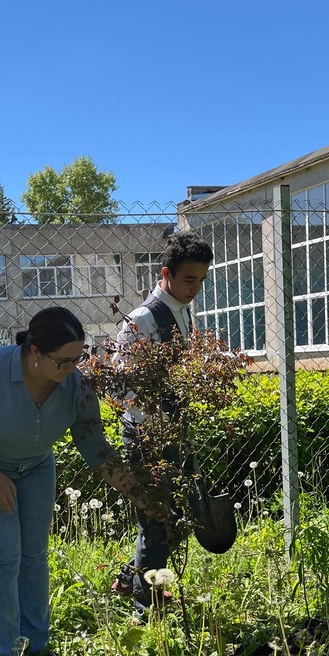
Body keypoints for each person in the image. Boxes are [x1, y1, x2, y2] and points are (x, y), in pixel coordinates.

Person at [0, 305, 142, 656]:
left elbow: (95, 447)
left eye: (78, 358)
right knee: (2, 559)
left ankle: (36, 649)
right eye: (63, 361)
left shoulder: (76, 384)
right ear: (34, 353)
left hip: (35, 468)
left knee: (33, 557)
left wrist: (140, 495)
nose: (72, 369)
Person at [112, 231, 213, 617]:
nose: (196, 288)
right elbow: (121, 387)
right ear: (166, 273)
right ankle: (145, 606)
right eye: (189, 279)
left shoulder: (182, 311)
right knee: (156, 518)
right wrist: (155, 418)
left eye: (202, 280)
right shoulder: (141, 319)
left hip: (175, 431)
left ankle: (130, 579)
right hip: (146, 435)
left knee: (177, 515)